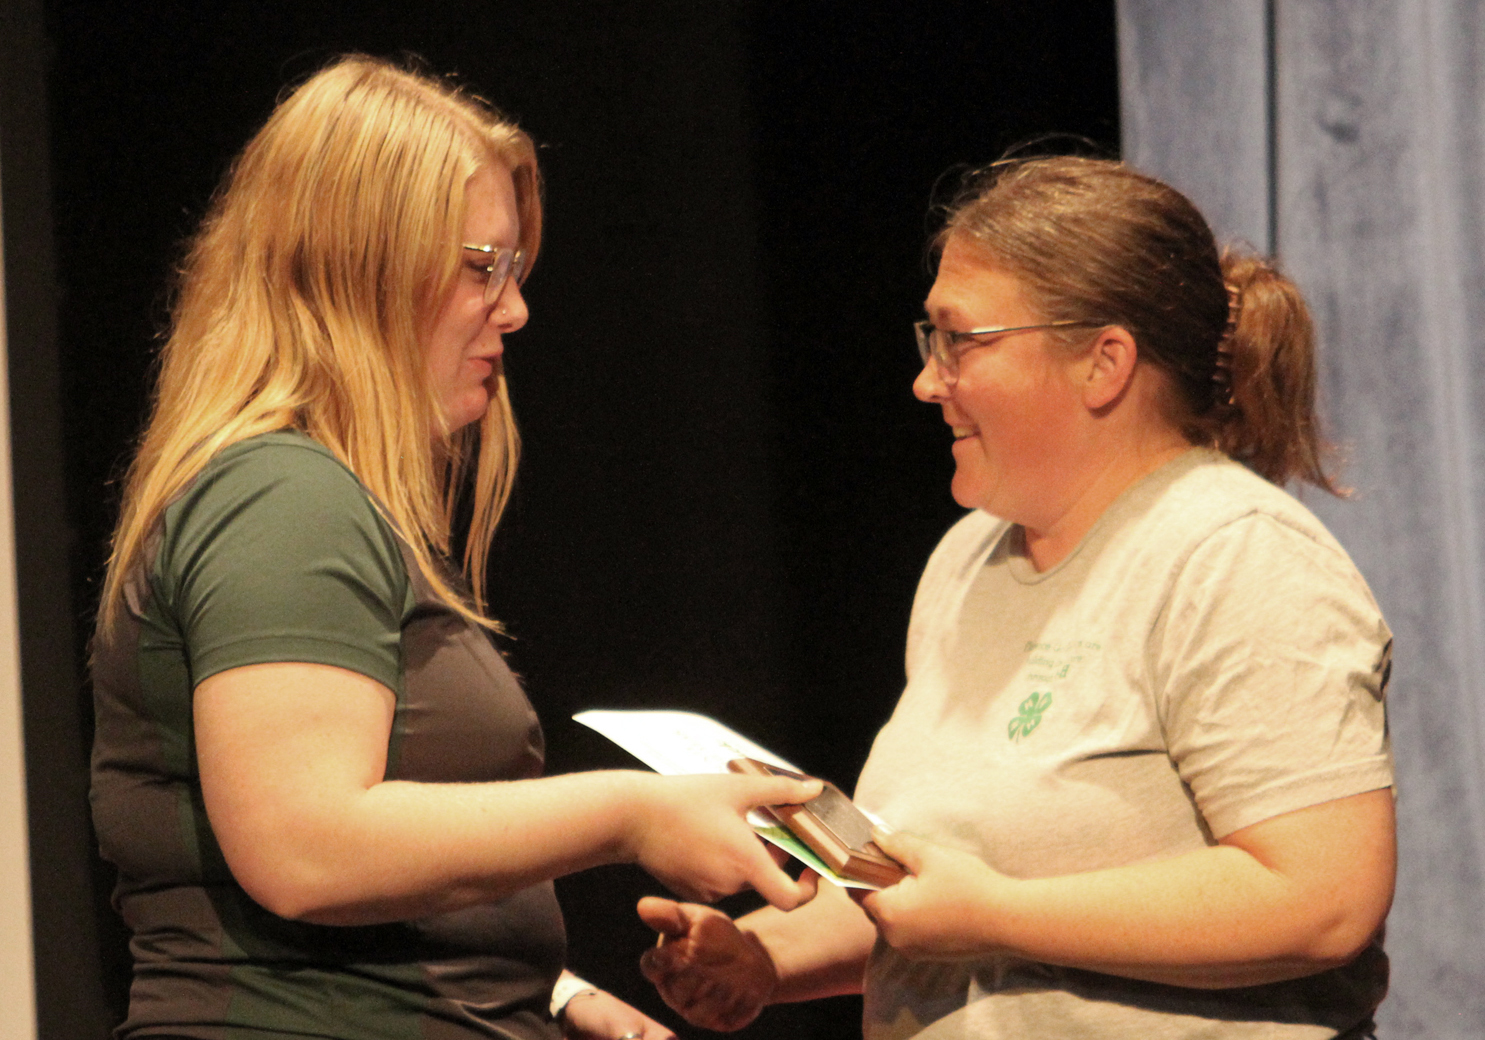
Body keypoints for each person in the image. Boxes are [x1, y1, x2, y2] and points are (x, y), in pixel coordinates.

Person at [89, 55, 821, 1040]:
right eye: (483, 268)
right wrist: (632, 815)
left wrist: (552, 993)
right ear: (362, 267)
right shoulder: (282, 495)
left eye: (512, 271)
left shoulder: (322, 495)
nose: (514, 309)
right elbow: (303, 847)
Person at [637, 155, 1395, 1039]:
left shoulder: (1234, 557)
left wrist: (993, 913)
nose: (928, 380)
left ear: (1102, 363)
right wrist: (765, 957)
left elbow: (1322, 899)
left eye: (961, 340)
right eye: (930, 340)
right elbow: (935, 895)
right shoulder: (970, 558)